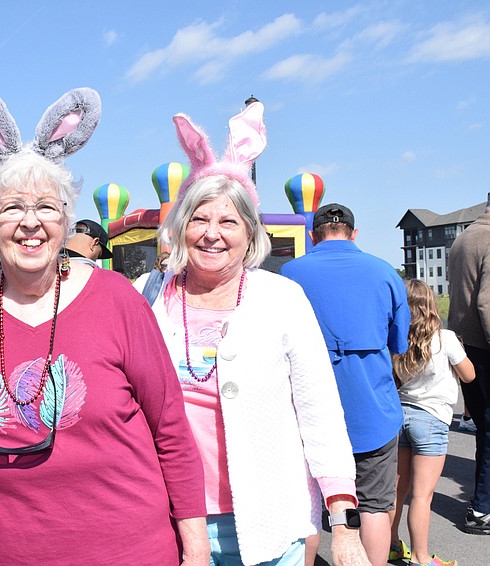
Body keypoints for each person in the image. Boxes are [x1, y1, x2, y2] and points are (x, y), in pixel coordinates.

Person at [0, 86, 208, 565]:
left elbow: (170, 428)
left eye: (46, 207)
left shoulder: (117, 301)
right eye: (11, 207)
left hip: (123, 550)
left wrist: (196, 546)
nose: (30, 222)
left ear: (66, 220)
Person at [149, 107, 367, 566]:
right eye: (198, 219)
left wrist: (344, 528)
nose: (212, 234)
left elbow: (320, 412)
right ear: (180, 228)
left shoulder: (282, 298)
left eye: (228, 222)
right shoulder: (147, 298)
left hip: (271, 521)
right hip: (168, 519)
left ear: (250, 233)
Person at [281, 203, 410, 566]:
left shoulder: (290, 273)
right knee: (373, 505)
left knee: (304, 506)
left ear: (312, 235)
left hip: (304, 413)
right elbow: (398, 343)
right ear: (354, 234)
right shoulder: (385, 272)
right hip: (372, 411)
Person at [389, 279, 475, 566]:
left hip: (400, 416)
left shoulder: (396, 339)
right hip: (432, 420)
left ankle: (390, 545)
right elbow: (469, 375)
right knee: (422, 496)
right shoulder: (445, 338)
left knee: (396, 492)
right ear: (430, 305)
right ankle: (421, 558)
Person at [447, 195, 490, 535]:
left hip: (468, 346)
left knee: (484, 430)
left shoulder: (464, 237)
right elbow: (487, 304)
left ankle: (482, 503)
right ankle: (482, 508)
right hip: (485, 346)